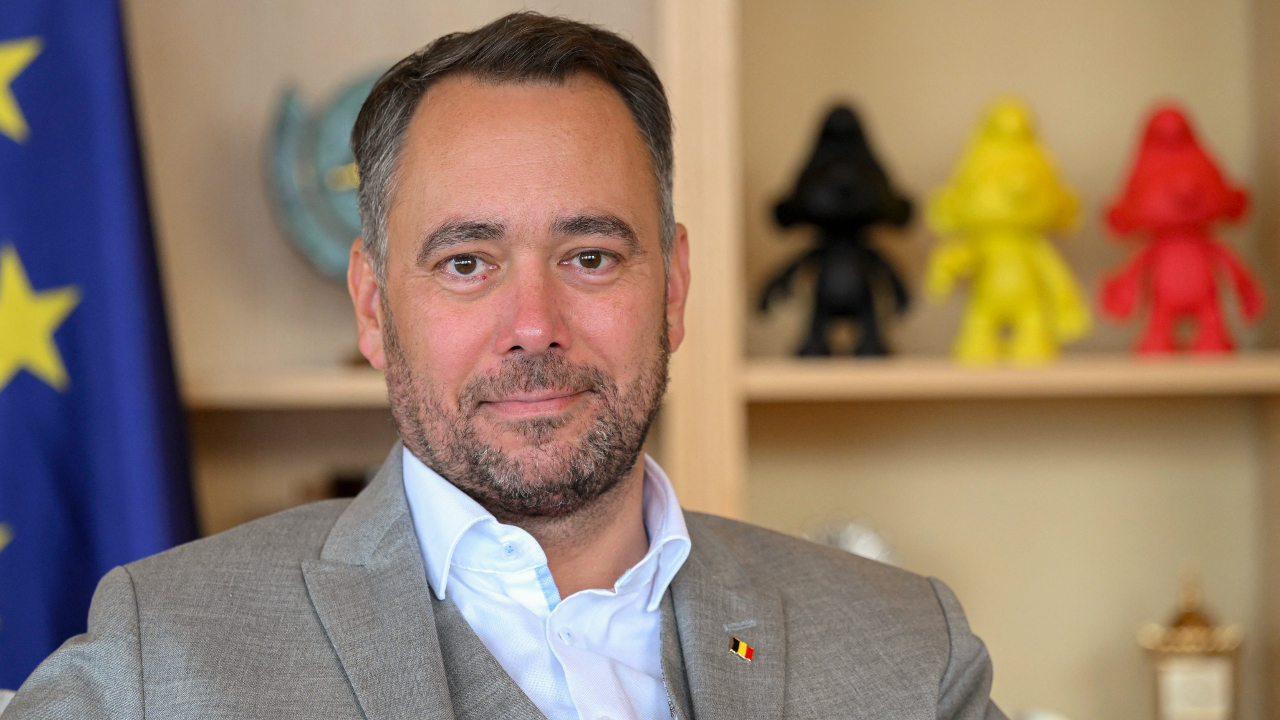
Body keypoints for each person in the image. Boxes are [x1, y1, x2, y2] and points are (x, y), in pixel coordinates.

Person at [6, 13, 1005, 720]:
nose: (533, 326)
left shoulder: (907, 652)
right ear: (373, 305)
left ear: (672, 287)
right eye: (466, 263)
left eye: (590, 257)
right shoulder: (160, 658)